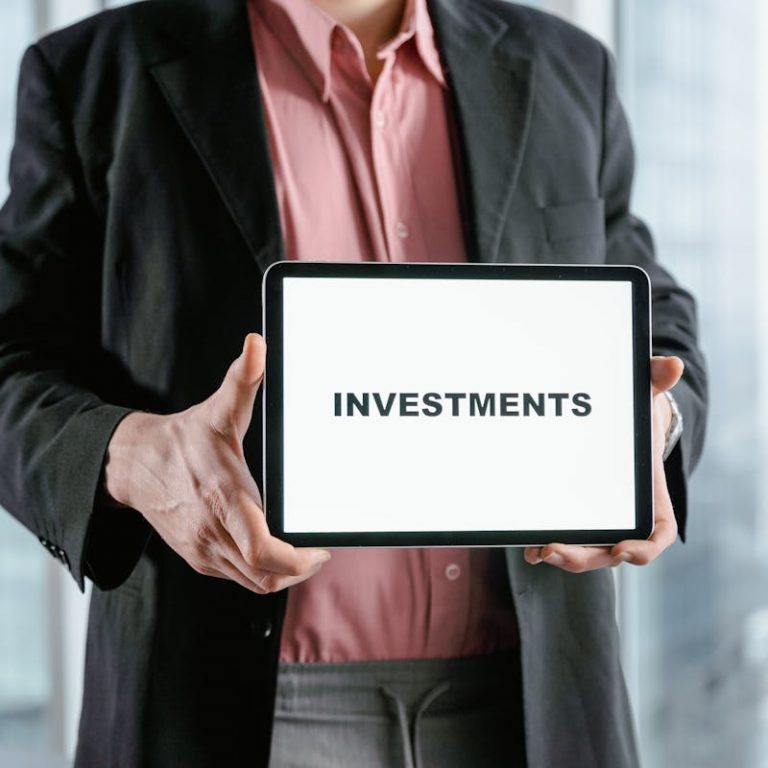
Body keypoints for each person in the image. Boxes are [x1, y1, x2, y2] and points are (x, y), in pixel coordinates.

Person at [0, 0, 707, 765]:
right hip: (227, 711)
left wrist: (652, 422)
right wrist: (129, 456)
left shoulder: (570, 66)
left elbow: (651, 309)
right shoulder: (94, 75)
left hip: (537, 707)